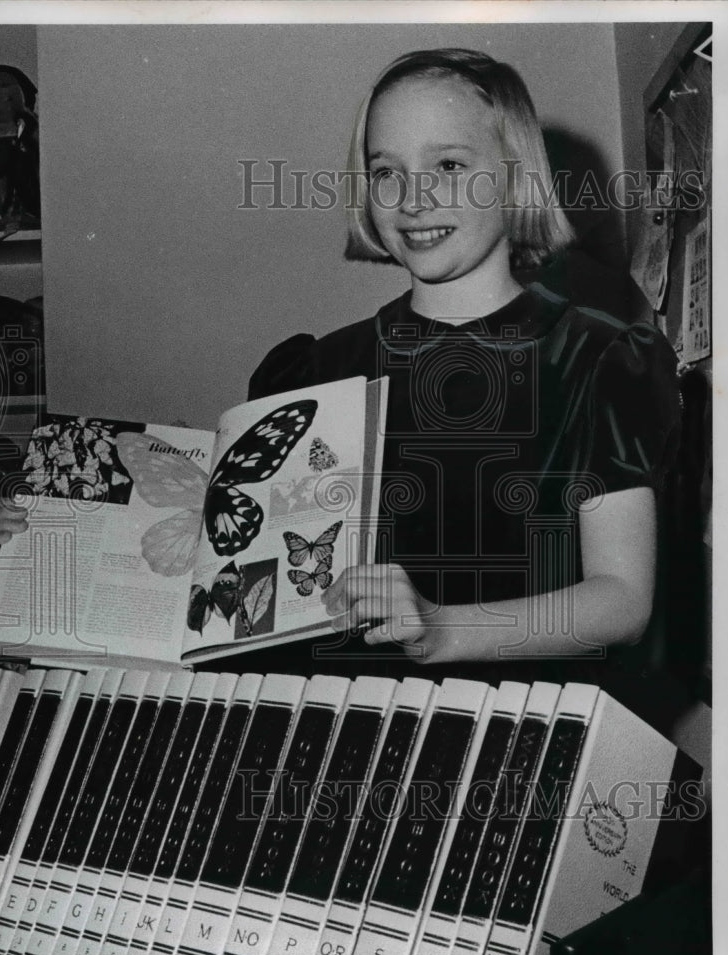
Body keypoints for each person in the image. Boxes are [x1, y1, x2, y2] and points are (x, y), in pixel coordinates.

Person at [246, 48, 681, 689]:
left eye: (448, 165)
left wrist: (446, 629)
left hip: (523, 735)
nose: (412, 200)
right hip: (346, 730)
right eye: (386, 171)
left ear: (514, 176)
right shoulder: (320, 370)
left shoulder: (600, 360)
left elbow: (622, 600)